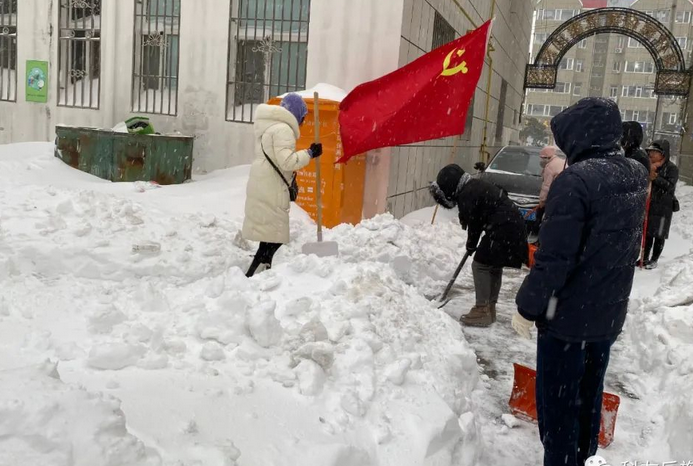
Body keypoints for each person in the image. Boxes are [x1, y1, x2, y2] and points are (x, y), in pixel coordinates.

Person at [512, 98, 648, 466]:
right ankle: (583, 455)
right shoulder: (634, 173)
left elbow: (555, 259)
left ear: (579, 137)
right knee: (588, 396)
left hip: (568, 320)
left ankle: (563, 460)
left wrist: (527, 306)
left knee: (558, 407)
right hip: (605, 317)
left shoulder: (577, 181)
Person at [430, 164, 528, 327]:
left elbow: (475, 223)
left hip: (503, 230)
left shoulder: (468, 193)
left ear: (450, 187)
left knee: (480, 265)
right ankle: (490, 308)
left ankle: (482, 309)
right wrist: (473, 242)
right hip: (512, 228)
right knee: (494, 266)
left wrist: (471, 245)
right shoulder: (473, 186)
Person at [242, 93, 322, 277]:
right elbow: (287, 162)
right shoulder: (283, 129)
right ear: (296, 114)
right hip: (271, 188)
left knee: (271, 237)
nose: (302, 123)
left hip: (264, 183)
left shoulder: (270, 127)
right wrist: (309, 153)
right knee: (274, 237)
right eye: (302, 118)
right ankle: (255, 273)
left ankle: (261, 270)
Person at [640, 139, 679, 269]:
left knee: (659, 234)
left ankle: (654, 259)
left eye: (655, 152)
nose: (651, 154)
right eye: (650, 151)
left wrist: (655, 178)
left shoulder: (671, 168)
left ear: (663, 154)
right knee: (648, 233)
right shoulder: (648, 165)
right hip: (649, 204)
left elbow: (670, 186)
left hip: (663, 206)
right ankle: (644, 258)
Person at [537, 146, 565, 225]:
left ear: (547, 157)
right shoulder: (562, 162)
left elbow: (546, 186)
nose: (541, 160)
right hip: (564, 196)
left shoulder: (550, 166)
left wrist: (542, 201)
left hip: (554, 197)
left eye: (542, 158)